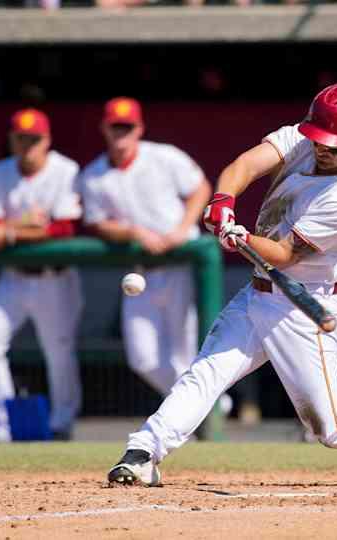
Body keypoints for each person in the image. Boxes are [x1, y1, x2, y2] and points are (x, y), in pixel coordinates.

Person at [106, 83, 337, 487]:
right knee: (205, 372)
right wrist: (223, 201)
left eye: (334, 145)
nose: (322, 149)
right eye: (319, 139)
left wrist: (241, 238)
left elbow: (285, 254)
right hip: (258, 294)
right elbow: (243, 166)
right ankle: (143, 452)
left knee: (333, 428)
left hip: (302, 306)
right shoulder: (303, 139)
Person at [79, 97, 212, 398]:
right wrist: (134, 232)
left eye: (126, 127)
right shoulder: (93, 175)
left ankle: (195, 412)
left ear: (138, 128)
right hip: (139, 269)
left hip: (180, 264)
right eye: (115, 126)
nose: (121, 133)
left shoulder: (163, 156)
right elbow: (97, 223)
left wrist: (182, 229)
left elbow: (200, 188)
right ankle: (205, 404)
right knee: (143, 359)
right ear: (105, 128)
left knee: (186, 354)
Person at [0, 108, 83, 442]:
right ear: (12, 140)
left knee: (58, 352)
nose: (28, 145)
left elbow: (64, 227)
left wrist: (11, 231)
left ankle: (61, 424)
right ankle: (7, 424)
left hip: (54, 277)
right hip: (14, 277)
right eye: (21, 138)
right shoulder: (0, 171)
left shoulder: (65, 169)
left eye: (34, 139)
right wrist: (28, 224)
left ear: (46, 140)